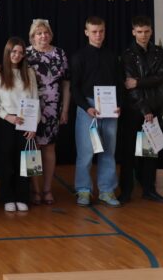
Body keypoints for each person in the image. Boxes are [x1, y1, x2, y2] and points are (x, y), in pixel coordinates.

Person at [70, 17, 121, 207]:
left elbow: (119, 84)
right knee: (86, 152)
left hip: (110, 108)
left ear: (105, 32)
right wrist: (87, 107)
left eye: (101, 31)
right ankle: (84, 190)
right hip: (88, 108)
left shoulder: (112, 56)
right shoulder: (79, 57)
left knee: (108, 151)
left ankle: (106, 190)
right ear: (86, 32)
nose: (98, 35)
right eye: (94, 31)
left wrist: (119, 104)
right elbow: (74, 88)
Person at [120, 16, 163, 204]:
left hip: (155, 107)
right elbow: (129, 85)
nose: (143, 35)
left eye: (147, 31)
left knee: (150, 151)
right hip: (135, 109)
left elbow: (161, 77)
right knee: (129, 152)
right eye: (140, 32)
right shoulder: (127, 55)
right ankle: (126, 191)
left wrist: (139, 82)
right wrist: (144, 109)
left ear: (151, 31)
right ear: (134, 32)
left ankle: (149, 189)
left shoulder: (159, 53)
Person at [0, 37, 39, 212]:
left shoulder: (29, 72)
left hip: (26, 121)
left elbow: (35, 99)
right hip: (7, 122)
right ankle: (7, 197)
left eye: (20, 52)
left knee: (24, 161)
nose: (17, 55)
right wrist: (6, 116)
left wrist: (34, 125)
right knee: (7, 161)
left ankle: (22, 196)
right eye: (14, 51)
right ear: (8, 52)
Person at [26, 19, 70, 205]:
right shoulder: (26, 54)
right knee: (33, 148)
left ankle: (47, 189)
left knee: (49, 148)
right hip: (31, 108)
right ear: (33, 36)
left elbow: (66, 83)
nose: (43, 36)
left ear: (50, 35)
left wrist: (65, 109)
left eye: (46, 33)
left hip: (53, 109)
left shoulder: (59, 53)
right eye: (39, 33)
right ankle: (35, 190)